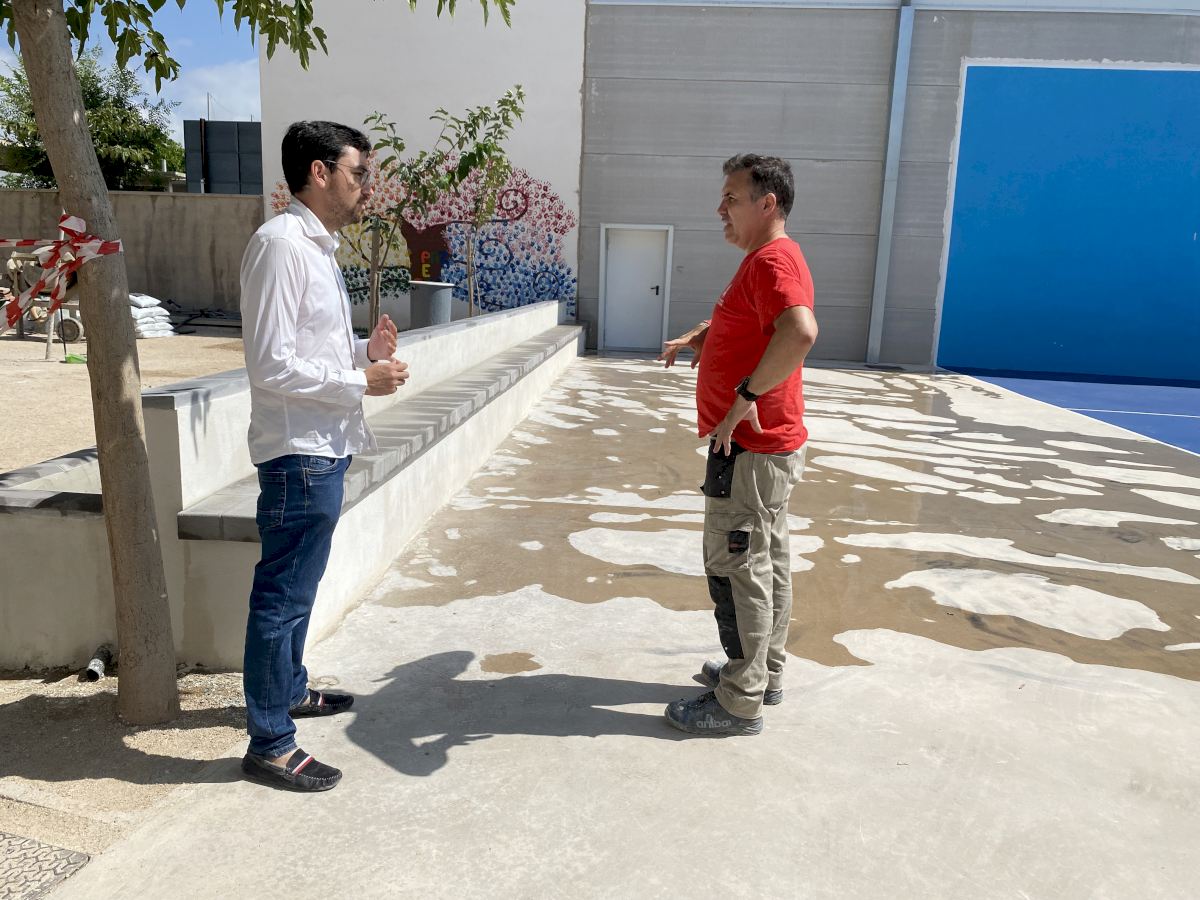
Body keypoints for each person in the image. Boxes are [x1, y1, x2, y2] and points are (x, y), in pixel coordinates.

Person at [239, 121, 410, 790]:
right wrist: (359, 380)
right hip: (298, 453)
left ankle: (289, 691)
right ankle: (270, 743)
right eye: (358, 172)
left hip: (322, 446)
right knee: (280, 596)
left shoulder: (314, 247)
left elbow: (307, 350)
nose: (366, 186)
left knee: (299, 590)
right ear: (319, 172)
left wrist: (365, 353)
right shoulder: (282, 246)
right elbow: (271, 364)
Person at [659, 154, 818, 737]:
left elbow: (798, 331)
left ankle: (738, 699)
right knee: (766, 562)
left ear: (766, 203)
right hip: (761, 448)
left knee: (738, 567)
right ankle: (762, 673)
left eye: (731, 197)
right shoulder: (765, 260)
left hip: (749, 446)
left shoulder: (773, 260)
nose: (720, 208)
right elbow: (757, 324)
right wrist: (706, 335)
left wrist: (745, 396)